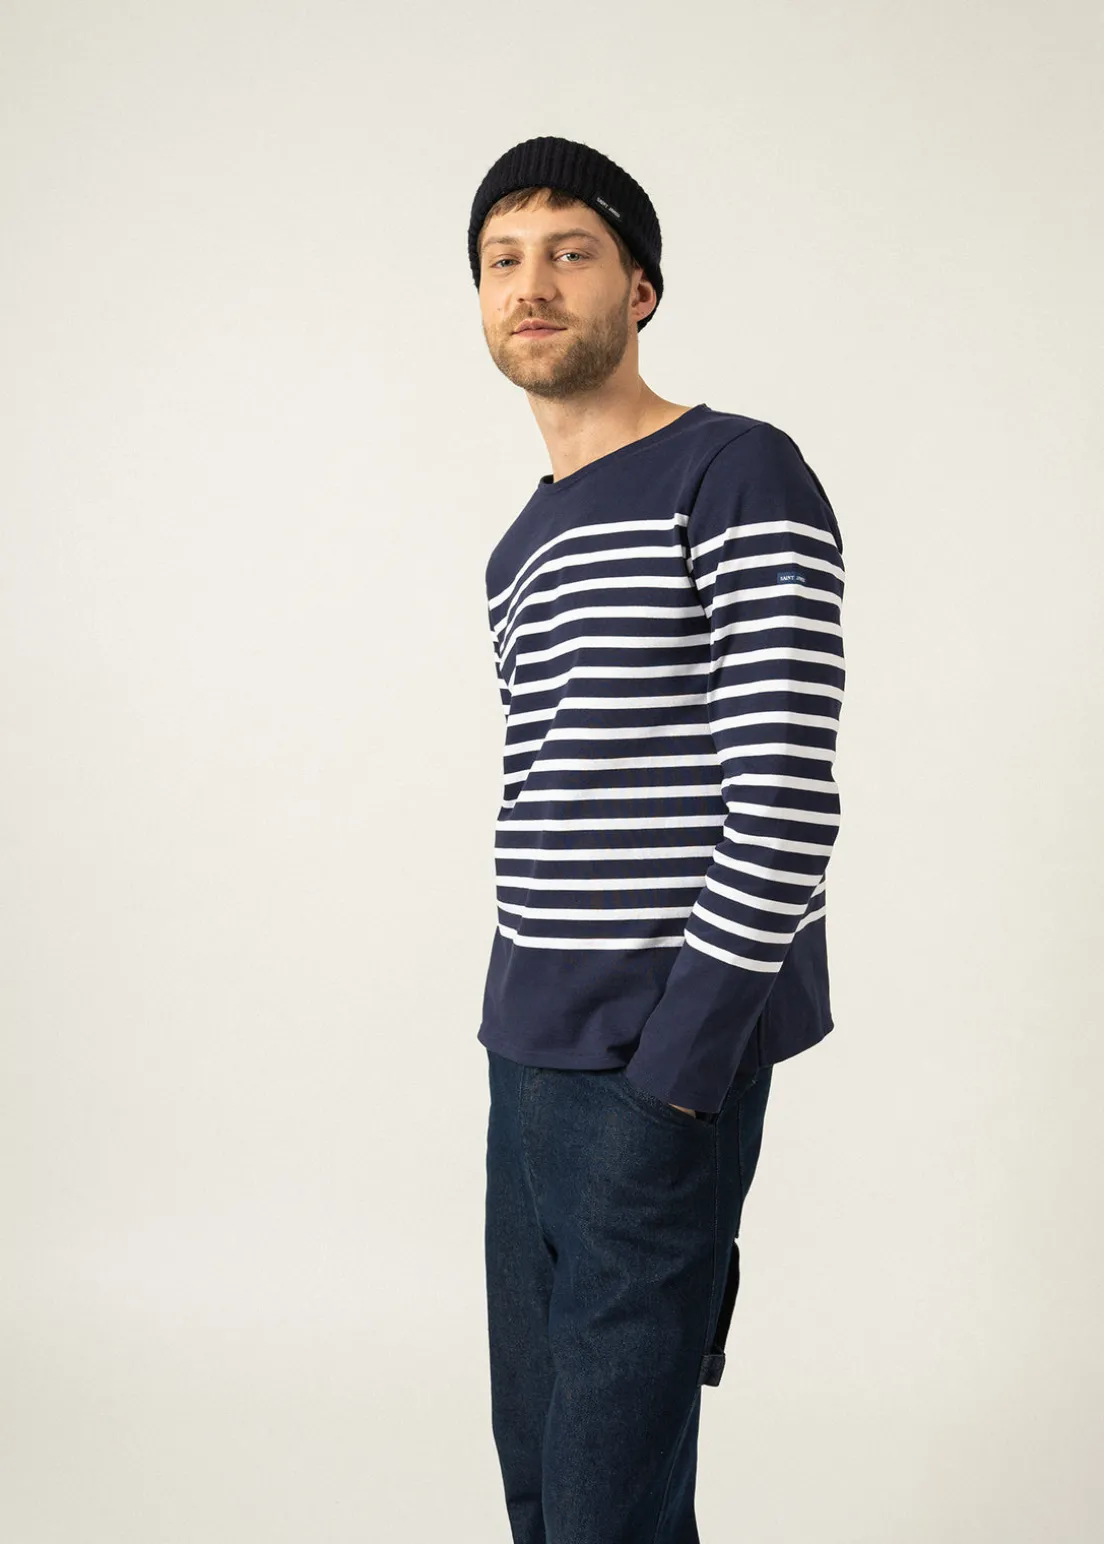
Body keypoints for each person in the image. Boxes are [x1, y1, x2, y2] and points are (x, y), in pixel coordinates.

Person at [468, 135, 846, 1544]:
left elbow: (785, 796)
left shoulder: (737, 471)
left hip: (655, 1063)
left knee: (607, 1502)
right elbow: (553, 793)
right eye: (503, 260)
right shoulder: (518, 549)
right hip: (527, 1055)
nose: (532, 284)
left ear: (640, 288)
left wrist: (683, 1071)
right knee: (542, 1476)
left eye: (571, 252)